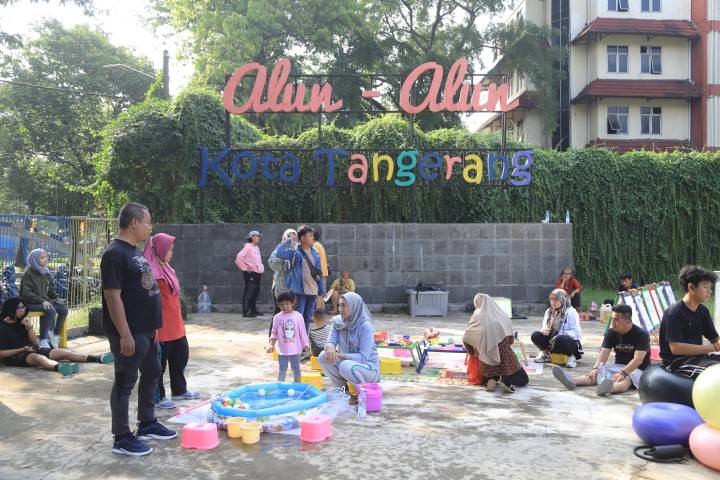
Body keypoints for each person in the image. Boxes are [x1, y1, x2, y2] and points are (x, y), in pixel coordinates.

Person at [101, 202, 176, 457]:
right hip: (130, 333)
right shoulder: (114, 254)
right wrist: (124, 334)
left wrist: (154, 329)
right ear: (134, 222)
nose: (149, 227)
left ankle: (146, 422)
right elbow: (112, 297)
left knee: (153, 372)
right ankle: (122, 437)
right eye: (147, 222)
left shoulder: (134, 251)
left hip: (147, 331)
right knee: (125, 382)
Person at [142, 233, 198, 411]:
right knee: (158, 365)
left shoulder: (167, 268)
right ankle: (158, 397)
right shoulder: (149, 272)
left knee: (181, 356)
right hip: (161, 327)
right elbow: (145, 300)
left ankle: (179, 390)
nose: (171, 253)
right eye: (169, 250)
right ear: (159, 249)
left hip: (175, 324)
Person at [553, 304, 650, 396]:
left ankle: (609, 388)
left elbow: (638, 360)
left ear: (627, 321)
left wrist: (623, 372)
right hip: (617, 366)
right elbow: (604, 352)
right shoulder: (611, 332)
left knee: (627, 379)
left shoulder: (641, 335)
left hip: (638, 369)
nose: (613, 323)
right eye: (612, 319)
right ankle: (572, 381)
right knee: (597, 373)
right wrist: (596, 368)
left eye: (617, 320)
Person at [0, 296, 112, 375]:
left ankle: (97, 358)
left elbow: (34, 342)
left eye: (24, 307)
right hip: (16, 356)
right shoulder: (3, 328)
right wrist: (21, 349)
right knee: (39, 358)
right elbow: (1, 354)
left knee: (63, 352)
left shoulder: (21, 322)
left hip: (30, 349)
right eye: (20, 308)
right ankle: (60, 367)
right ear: (11, 309)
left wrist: (29, 327)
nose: (23, 310)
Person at [659, 265, 720, 378]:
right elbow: (676, 349)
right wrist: (714, 347)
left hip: (699, 359)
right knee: (716, 371)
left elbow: (715, 339)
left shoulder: (702, 311)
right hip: (677, 362)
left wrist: (717, 344)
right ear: (691, 287)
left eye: (710, 288)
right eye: (706, 286)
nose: (709, 291)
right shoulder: (674, 313)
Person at [462, 293, 528, 393]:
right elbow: (511, 340)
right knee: (523, 379)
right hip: (506, 358)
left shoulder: (476, 317)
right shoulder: (502, 316)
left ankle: (491, 380)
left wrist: (474, 352)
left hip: (486, 359)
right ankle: (506, 379)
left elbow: (466, 339)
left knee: (490, 369)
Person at [319, 292, 380, 394]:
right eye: (339, 305)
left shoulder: (365, 326)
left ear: (354, 306)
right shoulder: (338, 322)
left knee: (345, 365)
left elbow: (363, 358)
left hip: (367, 369)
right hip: (347, 365)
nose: (340, 309)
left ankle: (364, 393)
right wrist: (330, 348)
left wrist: (339, 355)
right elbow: (330, 341)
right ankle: (340, 388)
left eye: (344, 305)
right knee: (323, 356)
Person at [275, 226, 325, 333]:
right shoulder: (295, 251)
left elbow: (319, 272)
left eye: (312, 235)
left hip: (312, 291)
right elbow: (279, 253)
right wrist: (288, 241)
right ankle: (296, 338)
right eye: (310, 235)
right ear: (302, 238)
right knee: (298, 316)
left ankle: (303, 338)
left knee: (308, 317)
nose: (313, 237)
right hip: (299, 291)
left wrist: (321, 289)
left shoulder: (315, 253)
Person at [20, 248, 68, 349]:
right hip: (30, 302)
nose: (45, 259)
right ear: (34, 259)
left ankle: (55, 336)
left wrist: (57, 298)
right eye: (42, 257)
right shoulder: (28, 273)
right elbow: (26, 294)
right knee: (50, 309)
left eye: (46, 257)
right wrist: (41, 301)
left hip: (44, 301)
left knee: (63, 309)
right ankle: (43, 340)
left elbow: (51, 290)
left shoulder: (46, 272)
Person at [531, 289, 583, 367]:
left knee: (560, 339)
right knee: (535, 335)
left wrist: (560, 335)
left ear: (563, 300)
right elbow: (545, 324)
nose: (553, 302)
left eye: (556, 300)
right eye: (551, 299)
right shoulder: (549, 311)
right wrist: (545, 329)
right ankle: (546, 354)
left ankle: (571, 357)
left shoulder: (571, 312)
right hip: (553, 342)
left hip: (568, 342)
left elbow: (577, 333)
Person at [266, 290, 309, 383]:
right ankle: (280, 387)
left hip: (295, 349)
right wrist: (271, 344)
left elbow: (303, 332)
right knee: (282, 369)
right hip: (282, 350)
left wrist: (306, 345)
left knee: (296, 369)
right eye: (281, 304)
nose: (284, 307)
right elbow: (274, 332)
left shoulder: (298, 316)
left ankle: (297, 386)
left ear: (293, 303)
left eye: (287, 304)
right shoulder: (277, 317)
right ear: (278, 305)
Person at [267, 228, 297, 334]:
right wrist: (284, 264)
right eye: (289, 236)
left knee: (293, 314)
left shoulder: (298, 249)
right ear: (285, 237)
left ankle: (288, 338)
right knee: (278, 312)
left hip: (294, 288)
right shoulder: (279, 250)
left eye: (294, 236)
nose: (292, 238)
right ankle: (272, 337)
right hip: (280, 286)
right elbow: (271, 262)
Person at [235, 230, 264, 318]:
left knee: (255, 292)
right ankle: (246, 311)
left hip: (257, 272)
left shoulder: (256, 247)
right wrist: (245, 268)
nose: (259, 238)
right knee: (249, 292)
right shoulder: (248, 247)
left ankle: (253, 310)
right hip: (250, 273)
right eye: (257, 236)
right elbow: (239, 257)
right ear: (252, 237)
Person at [313, 230, 329, 309]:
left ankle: (318, 311)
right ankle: (321, 311)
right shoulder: (319, 245)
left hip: (318, 273)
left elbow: (314, 260)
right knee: (322, 294)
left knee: (318, 294)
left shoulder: (315, 245)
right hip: (323, 272)